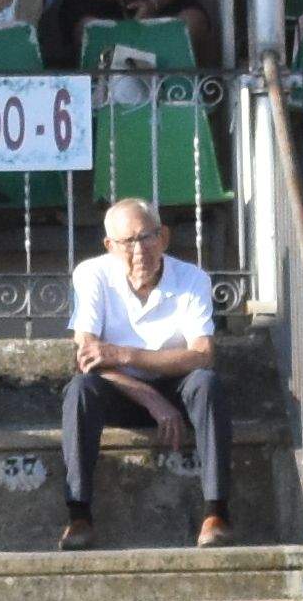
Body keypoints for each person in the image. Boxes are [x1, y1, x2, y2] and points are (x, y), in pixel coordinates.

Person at [61, 198, 227, 551]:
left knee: (206, 384)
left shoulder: (192, 278)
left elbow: (203, 354)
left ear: (163, 237)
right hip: (120, 390)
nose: (139, 251)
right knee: (80, 389)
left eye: (146, 238)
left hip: (176, 385)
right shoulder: (92, 275)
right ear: (110, 246)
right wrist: (147, 395)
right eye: (127, 242)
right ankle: (78, 513)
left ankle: (216, 510)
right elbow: (87, 356)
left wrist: (125, 353)